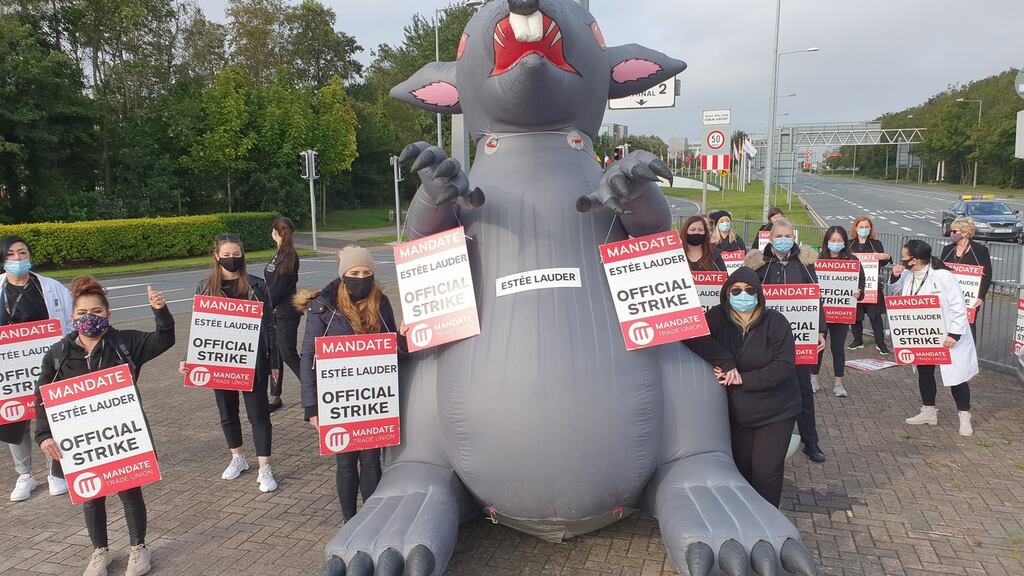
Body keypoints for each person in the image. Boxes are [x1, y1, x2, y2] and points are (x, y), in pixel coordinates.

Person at [35, 277, 174, 576]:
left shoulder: (126, 344)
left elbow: (164, 340)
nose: (90, 318)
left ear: (108, 315)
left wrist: (160, 311)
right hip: (82, 441)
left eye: (97, 312)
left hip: (120, 436)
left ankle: (138, 547)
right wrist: (44, 435)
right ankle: (100, 551)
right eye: (83, 312)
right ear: (72, 316)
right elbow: (42, 396)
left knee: (129, 491)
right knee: (91, 495)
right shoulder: (57, 354)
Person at [297, 246, 403, 521]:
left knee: (371, 461)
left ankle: (371, 520)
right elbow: (308, 355)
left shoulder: (381, 302)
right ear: (344, 274)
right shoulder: (323, 306)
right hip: (339, 398)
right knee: (345, 462)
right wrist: (311, 406)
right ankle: (349, 520)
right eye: (355, 272)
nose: (361, 278)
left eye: (367, 272)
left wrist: (403, 339)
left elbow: (392, 346)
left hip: (373, 397)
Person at [685, 267, 801, 507]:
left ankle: (768, 518)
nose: (743, 295)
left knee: (766, 471)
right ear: (727, 293)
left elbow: (784, 366)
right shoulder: (718, 317)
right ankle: (745, 515)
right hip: (739, 412)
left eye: (749, 290)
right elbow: (692, 336)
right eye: (736, 290)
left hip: (776, 410)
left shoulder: (776, 322)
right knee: (741, 469)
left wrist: (742, 379)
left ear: (758, 293)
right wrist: (725, 361)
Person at [180, 234, 279, 492]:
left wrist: (274, 362)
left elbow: (270, 325)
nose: (231, 259)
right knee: (227, 412)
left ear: (242, 255)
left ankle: (264, 468)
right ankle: (238, 457)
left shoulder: (257, 286)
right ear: (217, 256)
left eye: (236, 254)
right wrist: (191, 358)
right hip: (219, 360)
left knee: (258, 415)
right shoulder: (205, 287)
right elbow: (199, 326)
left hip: (252, 360)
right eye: (226, 255)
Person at [745, 218, 828, 463]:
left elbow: (815, 297)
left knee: (803, 390)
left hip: (799, 339)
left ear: (794, 238)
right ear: (770, 238)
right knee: (768, 389)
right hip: (767, 339)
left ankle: (810, 441)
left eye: (788, 236)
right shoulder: (758, 264)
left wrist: (820, 330)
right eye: (779, 236)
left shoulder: (804, 263)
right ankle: (766, 439)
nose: (783, 240)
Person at [0, 236, 73, 502]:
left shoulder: (51, 287)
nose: (18, 259)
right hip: (10, 370)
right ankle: (24, 474)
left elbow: (70, 322)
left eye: (22, 253)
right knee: (14, 417)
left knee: (50, 413)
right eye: (11, 254)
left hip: (48, 363)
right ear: (3, 259)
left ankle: (55, 470)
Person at [890, 240, 979, 436]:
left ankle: (964, 417)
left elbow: (958, 305)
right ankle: (928, 411)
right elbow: (896, 290)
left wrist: (954, 334)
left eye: (904, 258)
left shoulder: (943, 276)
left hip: (948, 334)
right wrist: (894, 274)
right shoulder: (908, 274)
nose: (902, 261)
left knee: (956, 377)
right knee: (925, 371)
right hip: (923, 334)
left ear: (915, 260)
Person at [811, 226, 865, 398]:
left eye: (839, 240)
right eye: (832, 240)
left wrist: (858, 293)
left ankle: (838, 383)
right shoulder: (817, 260)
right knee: (818, 347)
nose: (836, 243)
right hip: (820, 313)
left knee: (838, 348)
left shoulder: (853, 261)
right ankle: (813, 380)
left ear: (845, 241)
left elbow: (861, 286)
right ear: (826, 241)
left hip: (841, 313)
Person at [264, 217, 302, 412]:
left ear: (275, 233)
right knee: (275, 355)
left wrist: (267, 307)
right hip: (276, 312)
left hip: (286, 312)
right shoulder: (280, 254)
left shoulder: (289, 256)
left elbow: (279, 288)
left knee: (288, 354)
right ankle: (275, 396)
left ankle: (313, 387)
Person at [939, 218, 992, 341]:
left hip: (970, 297)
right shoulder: (947, 249)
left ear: (965, 233)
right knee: (947, 321)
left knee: (968, 323)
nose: (951, 234)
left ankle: (970, 349)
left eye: (954, 231)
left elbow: (987, 274)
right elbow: (941, 271)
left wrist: (981, 296)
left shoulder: (980, 250)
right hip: (948, 295)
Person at [847, 216, 892, 354]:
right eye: (861, 227)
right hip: (855, 286)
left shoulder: (876, 244)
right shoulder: (849, 244)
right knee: (856, 315)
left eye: (867, 227)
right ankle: (857, 340)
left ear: (870, 229)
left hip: (872, 286)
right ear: (855, 228)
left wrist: (885, 256)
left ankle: (880, 343)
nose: (864, 229)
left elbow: (884, 262)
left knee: (875, 316)